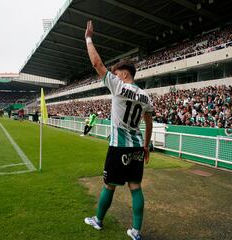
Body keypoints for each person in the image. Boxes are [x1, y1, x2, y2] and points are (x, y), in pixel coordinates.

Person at [83, 20, 153, 240]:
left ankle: (98, 220)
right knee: (136, 187)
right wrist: (146, 146)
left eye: (116, 71)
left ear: (123, 74)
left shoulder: (119, 86)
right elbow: (148, 123)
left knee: (109, 185)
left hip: (118, 146)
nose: (113, 74)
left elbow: (96, 63)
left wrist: (88, 38)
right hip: (136, 148)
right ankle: (136, 231)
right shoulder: (145, 96)